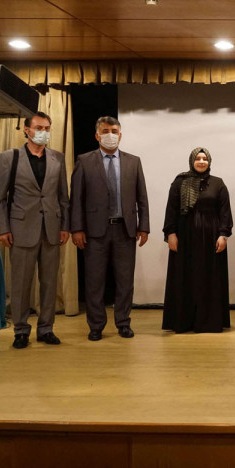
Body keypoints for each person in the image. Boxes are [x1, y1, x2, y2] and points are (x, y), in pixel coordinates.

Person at [0, 111, 70, 349]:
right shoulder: (10, 157)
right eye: (38, 128)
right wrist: (3, 228)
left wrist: (65, 226)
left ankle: (46, 329)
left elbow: (63, 197)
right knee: (21, 283)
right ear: (26, 130)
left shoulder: (57, 158)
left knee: (49, 283)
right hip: (21, 229)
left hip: (51, 229)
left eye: (47, 128)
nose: (43, 132)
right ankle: (21, 330)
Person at [69, 116, 149, 341]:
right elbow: (76, 198)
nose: (110, 135)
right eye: (105, 131)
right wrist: (77, 229)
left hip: (125, 230)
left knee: (125, 281)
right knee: (94, 282)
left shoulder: (134, 162)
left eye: (114, 131)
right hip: (95, 232)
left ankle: (123, 323)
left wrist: (144, 227)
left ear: (120, 135)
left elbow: (142, 197)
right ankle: (96, 326)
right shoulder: (84, 161)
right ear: (97, 135)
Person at [162, 147, 232, 333]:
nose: (201, 162)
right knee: (185, 277)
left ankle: (208, 322)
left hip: (211, 239)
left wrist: (223, 235)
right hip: (184, 238)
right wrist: (170, 234)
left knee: (209, 278)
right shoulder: (179, 182)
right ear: (192, 161)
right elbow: (171, 210)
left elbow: (225, 212)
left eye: (205, 159)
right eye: (198, 158)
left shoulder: (218, 183)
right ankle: (184, 321)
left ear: (209, 162)